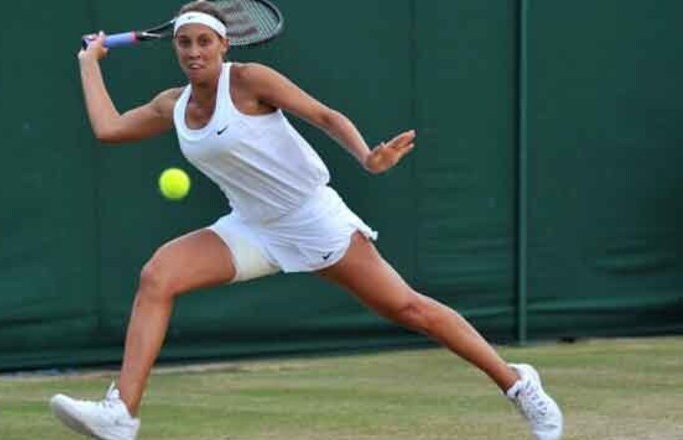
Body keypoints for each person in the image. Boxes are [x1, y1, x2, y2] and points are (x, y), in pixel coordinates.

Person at [50, 1, 563, 439]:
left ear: (225, 45)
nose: (194, 51)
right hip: (251, 227)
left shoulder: (250, 80)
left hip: (312, 218)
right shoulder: (173, 104)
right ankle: (121, 414)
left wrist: (367, 158)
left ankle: (518, 384)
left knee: (409, 309)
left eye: (204, 41)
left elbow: (324, 116)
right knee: (158, 275)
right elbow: (110, 128)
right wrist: (89, 63)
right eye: (184, 43)